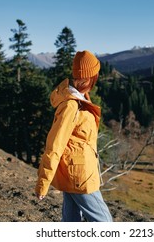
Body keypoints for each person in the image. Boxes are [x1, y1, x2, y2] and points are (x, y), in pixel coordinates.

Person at [35, 50, 113, 222]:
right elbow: (55, 144)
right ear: (88, 78)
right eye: (95, 75)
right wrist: (43, 183)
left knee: (71, 222)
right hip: (80, 177)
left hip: (74, 172)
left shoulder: (81, 98)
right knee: (105, 223)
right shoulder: (71, 105)